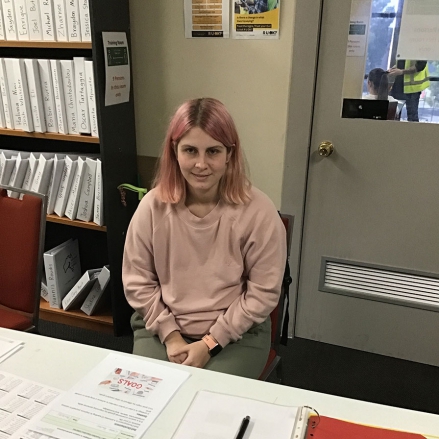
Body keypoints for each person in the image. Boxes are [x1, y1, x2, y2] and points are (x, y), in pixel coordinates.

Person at [122, 98, 286, 379]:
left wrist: (210, 343)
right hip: (161, 328)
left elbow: (262, 293)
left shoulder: (259, 212)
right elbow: (138, 282)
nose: (201, 164)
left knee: (210, 405)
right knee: (149, 402)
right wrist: (172, 337)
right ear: (174, 152)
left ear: (229, 155)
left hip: (237, 335)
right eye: (190, 150)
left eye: (213, 151)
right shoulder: (151, 208)